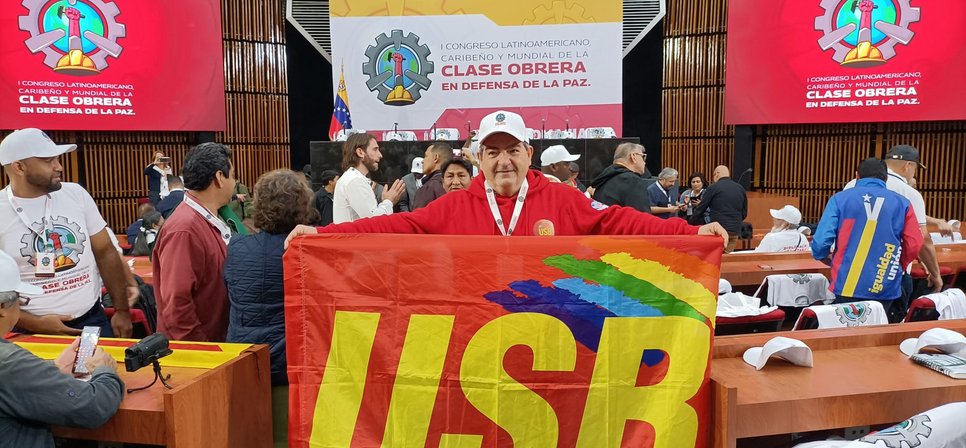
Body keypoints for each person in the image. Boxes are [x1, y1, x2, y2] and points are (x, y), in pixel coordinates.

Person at [286, 111, 728, 244]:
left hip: (549, 330)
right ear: (479, 158)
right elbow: (398, 225)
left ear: (528, 154)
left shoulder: (561, 198)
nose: (503, 161)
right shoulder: (455, 205)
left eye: (512, 150)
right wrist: (322, 234)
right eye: (493, 152)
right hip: (475, 333)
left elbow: (617, 220)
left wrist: (689, 231)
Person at [0, 128, 135, 337]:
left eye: (57, 159)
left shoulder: (76, 194)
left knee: (104, 360)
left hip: (92, 319)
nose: (59, 167)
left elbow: (105, 251)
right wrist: (36, 323)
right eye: (48, 161)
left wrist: (122, 310)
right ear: (19, 167)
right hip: (28, 330)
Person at [0, 251, 124, 447]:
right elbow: (91, 408)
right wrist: (105, 372)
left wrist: (52, 369)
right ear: (2, 307)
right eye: (21, 300)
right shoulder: (10, 363)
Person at [226, 169, 315, 386]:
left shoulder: (236, 248)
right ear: (302, 207)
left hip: (242, 358)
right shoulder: (308, 252)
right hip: (290, 363)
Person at [812, 158, 924, 322]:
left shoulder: (839, 199)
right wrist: (898, 263)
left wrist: (823, 257)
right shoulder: (903, 203)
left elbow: (821, 242)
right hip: (885, 282)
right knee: (880, 330)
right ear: (885, 178)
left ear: (857, 176)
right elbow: (914, 243)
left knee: (847, 331)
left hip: (846, 282)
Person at [153, 142, 236, 342]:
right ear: (219, 178)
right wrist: (202, 348)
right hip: (199, 349)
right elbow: (176, 304)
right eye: (233, 176)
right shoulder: (184, 229)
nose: (235, 182)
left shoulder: (208, 217)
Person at [844, 145, 943, 298]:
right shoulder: (909, 193)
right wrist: (935, 274)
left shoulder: (851, 184)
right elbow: (921, 238)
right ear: (908, 165)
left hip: (850, 271)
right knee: (889, 313)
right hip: (890, 272)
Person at [332, 133, 405, 223]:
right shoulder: (354, 180)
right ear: (360, 152)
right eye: (375, 149)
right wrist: (388, 201)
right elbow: (374, 222)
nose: (380, 155)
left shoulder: (354, 178)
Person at [689, 165, 748, 252]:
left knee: (715, 256)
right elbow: (744, 212)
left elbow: (701, 209)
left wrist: (690, 223)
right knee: (727, 255)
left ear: (717, 174)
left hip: (718, 230)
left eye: (713, 175)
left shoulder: (713, 188)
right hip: (735, 230)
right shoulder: (740, 188)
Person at [589, 143, 653, 213]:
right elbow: (641, 216)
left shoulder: (602, 181)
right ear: (633, 156)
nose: (644, 162)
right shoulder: (632, 181)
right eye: (643, 157)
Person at [412, 143, 454, 209]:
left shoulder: (429, 188)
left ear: (435, 158)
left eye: (426, 156)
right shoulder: (456, 186)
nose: (422, 161)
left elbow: (418, 215)